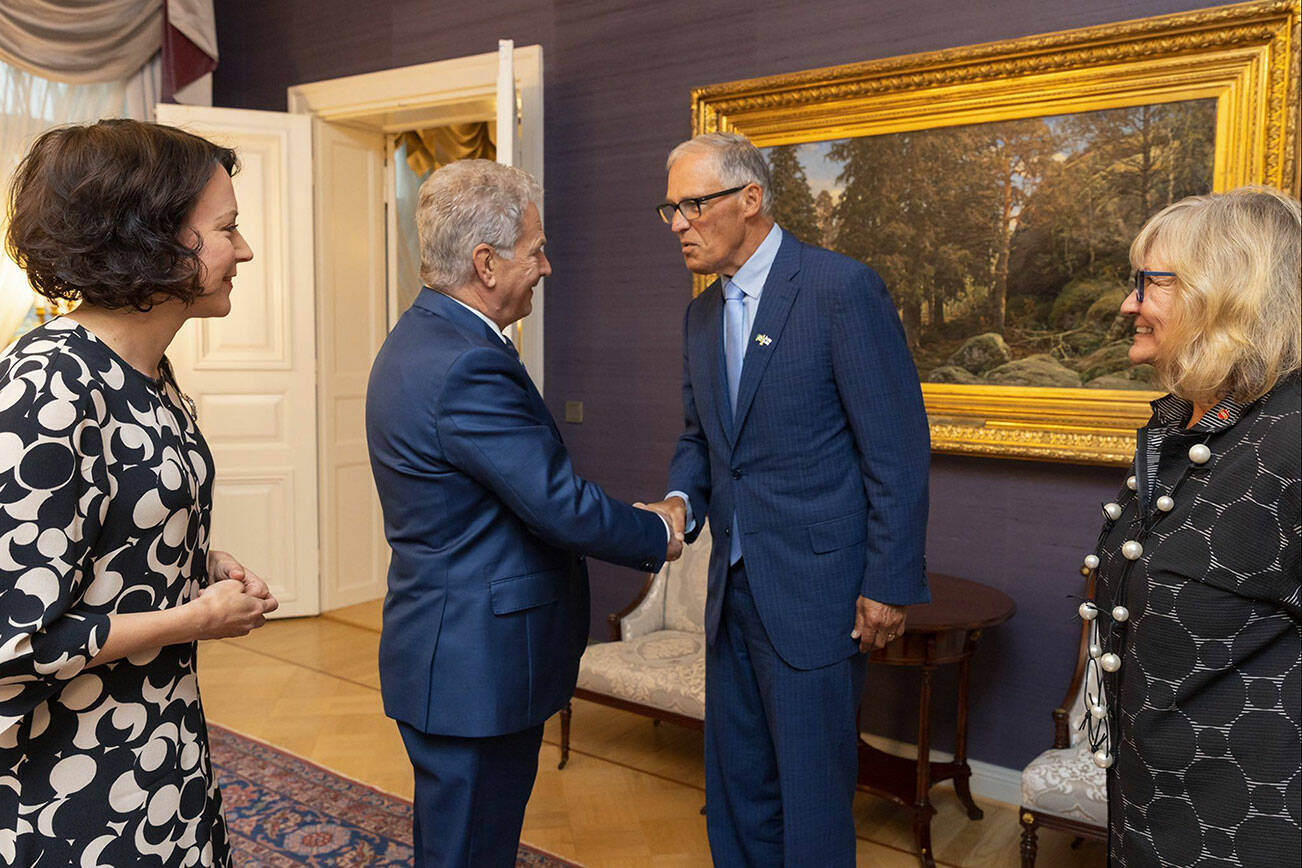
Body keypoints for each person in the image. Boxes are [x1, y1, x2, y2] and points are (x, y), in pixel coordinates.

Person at [365, 158, 682, 868]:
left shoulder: (427, 338)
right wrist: (656, 531)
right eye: (535, 250)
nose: (547, 266)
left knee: (463, 845)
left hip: (453, 651)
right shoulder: (463, 364)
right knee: (469, 852)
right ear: (485, 262)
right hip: (474, 664)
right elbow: (558, 505)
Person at [642, 131, 931, 865]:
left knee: (810, 795)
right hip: (728, 592)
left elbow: (895, 451)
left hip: (816, 595)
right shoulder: (699, 316)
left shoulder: (841, 289)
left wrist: (887, 583)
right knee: (737, 787)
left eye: (692, 205)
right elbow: (699, 439)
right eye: (669, 209)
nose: (677, 223)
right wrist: (680, 500)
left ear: (750, 199)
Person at [0, 119, 278, 866]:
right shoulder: (49, 385)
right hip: (73, 782)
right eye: (228, 228)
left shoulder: (150, 374)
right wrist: (194, 617)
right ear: (152, 238)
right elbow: (11, 636)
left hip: (159, 746)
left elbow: (105, 533)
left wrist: (197, 561)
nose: (244, 251)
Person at [1078, 187, 1301, 867]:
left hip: (1252, 830)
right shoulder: (1186, 422)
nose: (1128, 304)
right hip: (1151, 809)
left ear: (1225, 291)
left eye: (1150, 282)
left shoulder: (1292, 436)